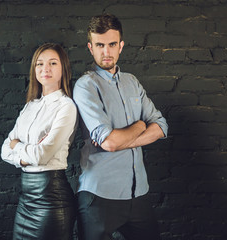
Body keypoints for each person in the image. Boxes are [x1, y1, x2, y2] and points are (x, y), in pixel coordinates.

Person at [73, 14, 169, 240]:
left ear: (121, 46)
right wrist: (140, 125)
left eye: (112, 44)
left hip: (138, 194)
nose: (106, 52)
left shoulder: (132, 82)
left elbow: (162, 126)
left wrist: (121, 141)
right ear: (90, 48)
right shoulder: (86, 86)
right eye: (100, 45)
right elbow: (110, 142)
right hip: (99, 196)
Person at [1, 43, 77, 240]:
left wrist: (17, 145)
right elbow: (3, 150)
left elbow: (42, 155)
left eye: (53, 63)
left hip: (51, 200)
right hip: (25, 201)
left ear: (63, 69)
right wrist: (26, 156)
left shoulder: (66, 107)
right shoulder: (30, 106)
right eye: (39, 64)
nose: (45, 69)